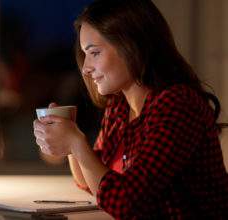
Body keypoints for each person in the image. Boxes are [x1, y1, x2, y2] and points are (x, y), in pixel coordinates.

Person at [33, 0, 228, 219]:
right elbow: (96, 184)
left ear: (132, 46)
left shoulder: (177, 105)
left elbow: (125, 203)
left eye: (94, 53)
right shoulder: (119, 106)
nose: (86, 68)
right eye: (84, 54)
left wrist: (77, 144)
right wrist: (68, 138)